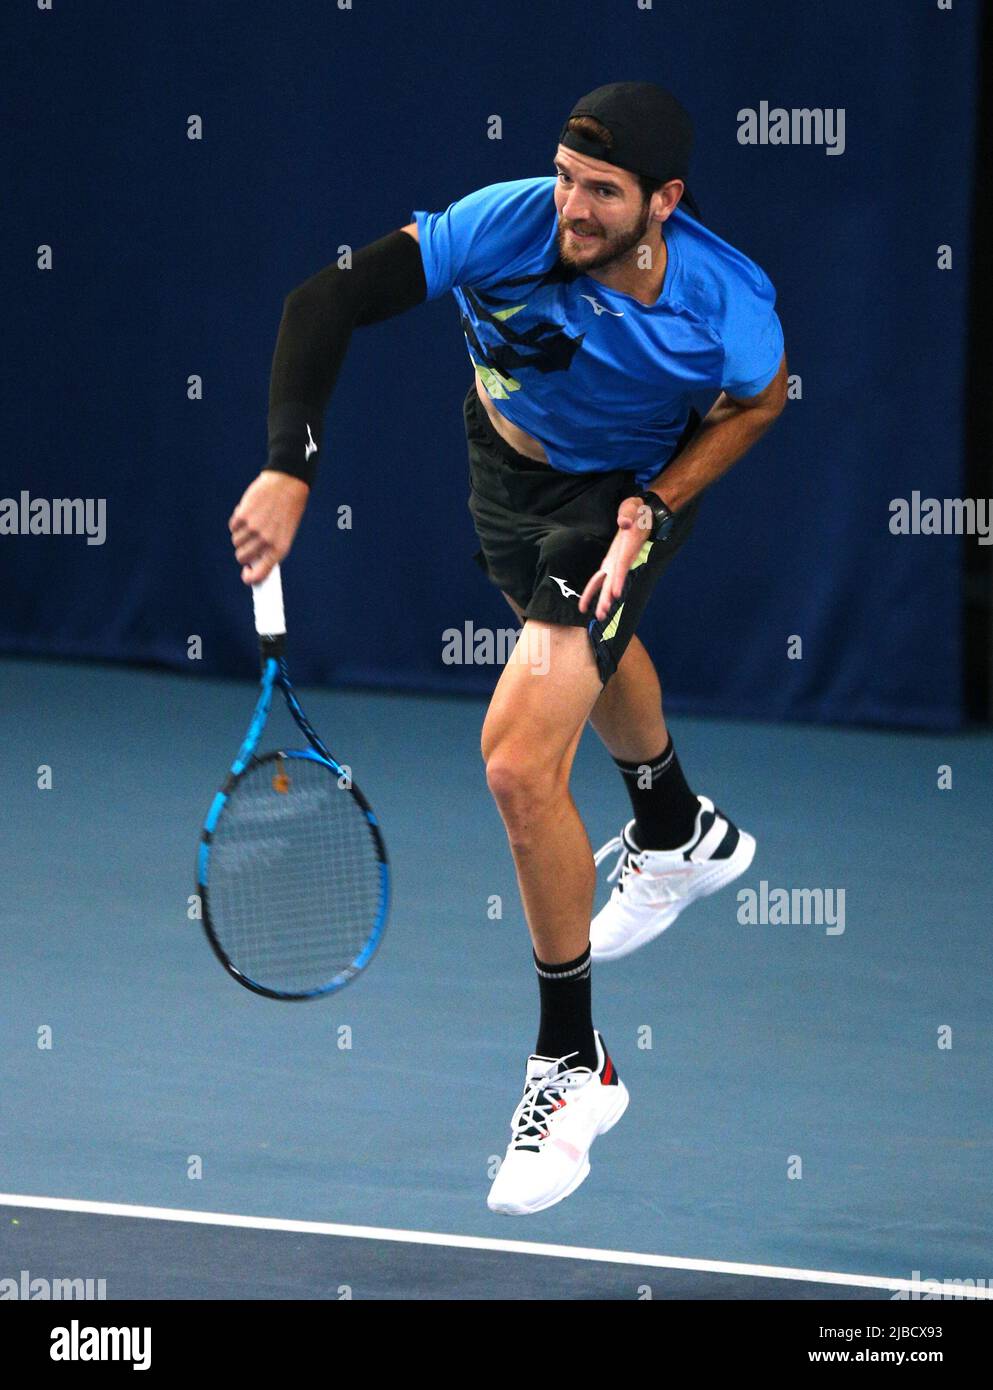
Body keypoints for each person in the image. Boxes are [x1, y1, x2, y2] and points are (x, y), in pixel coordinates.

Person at [229, 82, 787, 1216]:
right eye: (568, 178)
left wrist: (659, 507)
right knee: (582, 652)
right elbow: (322, 302)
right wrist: (290, 462)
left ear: (663, 204)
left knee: (520, 764)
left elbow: (762, 401)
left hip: (614, 500)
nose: (573, 210)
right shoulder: (509, 219)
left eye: (605, 193)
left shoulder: (728, 302)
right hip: (505, 472)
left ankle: (574, 1063)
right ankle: (676, 827)